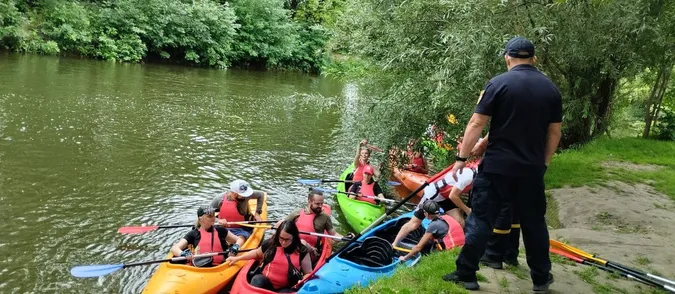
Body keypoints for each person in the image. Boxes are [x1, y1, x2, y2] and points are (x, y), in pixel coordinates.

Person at [442, 36, 562, 293]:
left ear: (508, 58)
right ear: (534, 59)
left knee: (482, 219)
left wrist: (462, 158)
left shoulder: (498, 84)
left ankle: (467, 274)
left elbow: (477, 123)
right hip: (531, 169)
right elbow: (554, 133)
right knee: (534, 223)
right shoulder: (550, 89)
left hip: (497, 168)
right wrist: (544, 163)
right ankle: (541, 279)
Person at [392, 163, 475, 248]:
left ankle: (452, 244)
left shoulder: (474, 172)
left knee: (459, 221)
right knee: (414, 224)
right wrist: (467, 210)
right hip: (432, 194)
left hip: (445, 196)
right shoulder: (468, 176)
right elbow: (453, 196)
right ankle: (395, 243)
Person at [225, 220, 313, 292]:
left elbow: (308, 273)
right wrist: (237, 258)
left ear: (294, 238)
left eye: (287, 239)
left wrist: (303, 280)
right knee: (257, 280)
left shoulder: (301, 250)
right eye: (281, 238)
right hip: (266, 281)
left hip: (286, 287)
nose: (283, 242)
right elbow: (256, 253)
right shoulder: (270, 244)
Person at [276, 190, 350, 262]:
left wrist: (344, 238)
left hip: (312, 252)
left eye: (322, 203)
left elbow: (333, 234)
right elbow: (282, 225)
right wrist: (279, 224)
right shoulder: (297, 213)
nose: (320, 206)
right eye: (317, 204)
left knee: (303, 243)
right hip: (292, 246)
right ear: (309, 202)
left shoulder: (324, 217)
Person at [170, 206, 245, 267]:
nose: (213, 217)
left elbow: (239, 240)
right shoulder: (193, 234)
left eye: (213, 215)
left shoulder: (220, 230)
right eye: (209, 216)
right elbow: (175, 248)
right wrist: (183, 254)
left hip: (220, 266)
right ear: (200, 219)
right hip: (200, 266)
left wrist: (236, 246)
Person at [397, 201, 464, 262]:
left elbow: (418, 247)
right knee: (429, 240)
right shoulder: (446, 217)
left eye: (424, 211)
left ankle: (424, 259)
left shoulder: (433, 225)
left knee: (424, 245)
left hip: (451, 252)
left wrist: (405, 257)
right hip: (462, 247)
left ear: (426, 214)